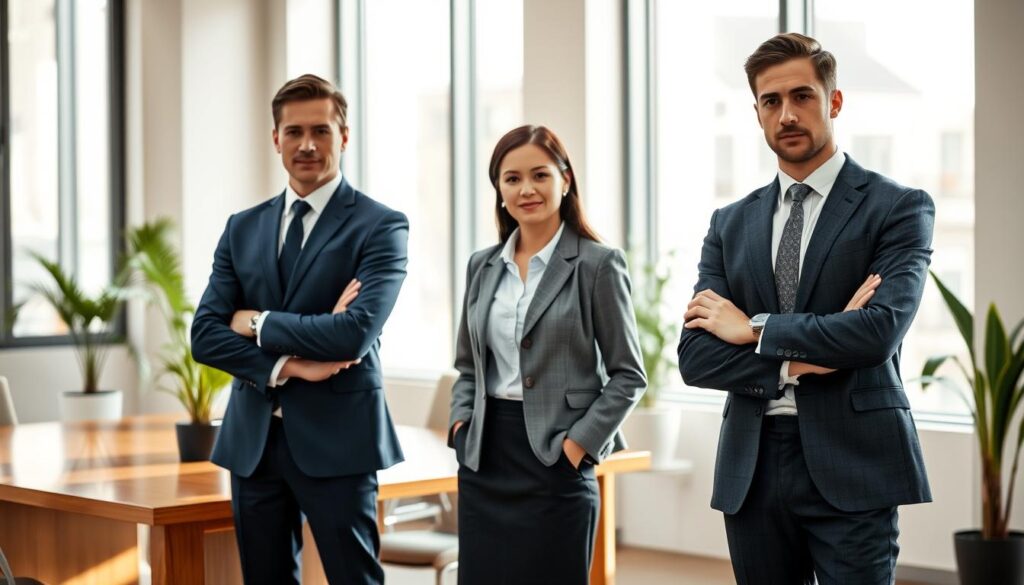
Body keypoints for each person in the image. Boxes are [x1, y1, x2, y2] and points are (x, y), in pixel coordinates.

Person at [677, 33, 934, 584]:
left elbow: (877, 333)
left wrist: (753, 328)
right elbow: (697, 357)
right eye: (771, 101)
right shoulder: (730, 223)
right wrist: (798, 361)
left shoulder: (897, 208)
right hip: (754, 463)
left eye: (803, 96)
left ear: (833, 101)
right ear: (757, 112)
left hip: (854, 462)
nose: (787, 114)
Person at [191, 73, 408, 585]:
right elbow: (204, 334)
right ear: (276, 140)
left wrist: (257, 321)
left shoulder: (380, 225)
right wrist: (292, 366)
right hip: (254, 443)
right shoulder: (242, 227)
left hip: (340, 442)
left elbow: (352, 334)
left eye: (321, 131)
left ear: (344, 136)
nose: (307, 144)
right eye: (293, 132)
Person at [448, 124, 646, 585]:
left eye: (540, 175)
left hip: (556, 459)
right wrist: (462, 426)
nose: (526, 189)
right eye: (511, 178)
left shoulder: (598, 264)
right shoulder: (482, 265)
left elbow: (628, 375)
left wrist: (576, 448)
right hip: (484, 457)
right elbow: (466, 366)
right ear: (498, 190)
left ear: (565, 179)